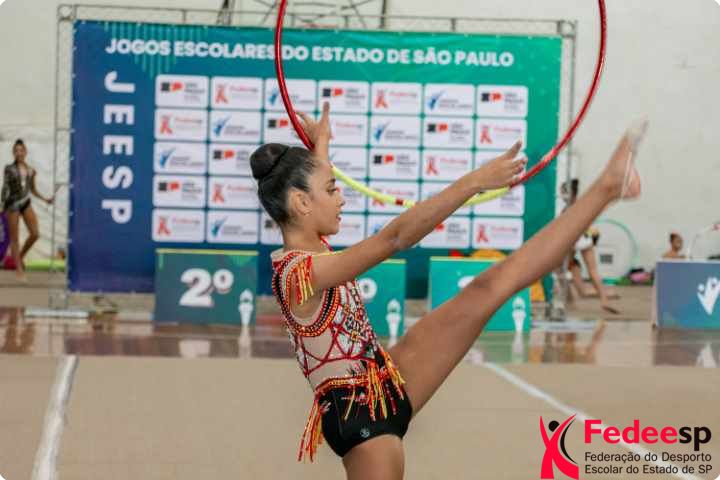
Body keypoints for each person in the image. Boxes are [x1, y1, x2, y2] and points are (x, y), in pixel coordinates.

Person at [252, 102, 643, 479]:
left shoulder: (310, 242)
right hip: (360, 420)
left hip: (388, 377)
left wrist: (321, 144)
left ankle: (608, 187)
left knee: (490, 286)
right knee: (490, 287)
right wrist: (474, 182)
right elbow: (395, 237)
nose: (341, 197)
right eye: (332, 189)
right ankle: (608, 187)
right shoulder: (299, 275)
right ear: (301, 202)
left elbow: (312, 190)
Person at [561, 179, 620, 314]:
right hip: (584, 238)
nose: (562, 196)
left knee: (562, 270)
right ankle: (604, 299)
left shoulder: (569, 208)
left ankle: (570, 301)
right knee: (592, 271)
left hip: (575, 239)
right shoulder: (581, 204)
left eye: (563, 193)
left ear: (570, 194)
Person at [1, 139, 55, 281]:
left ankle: (20, 257)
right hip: (12, 204)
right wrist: (2, 205)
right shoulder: (9, 168)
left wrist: (45, 199)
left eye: (21, 150)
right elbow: (5, 187)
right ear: (13, 153)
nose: (19, 153)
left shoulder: (31, 170)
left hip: (25, 202)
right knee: (14, 238)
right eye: (16, 150)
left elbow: (33, 190)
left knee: (35, 234)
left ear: (25, 152)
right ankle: (19, 270)